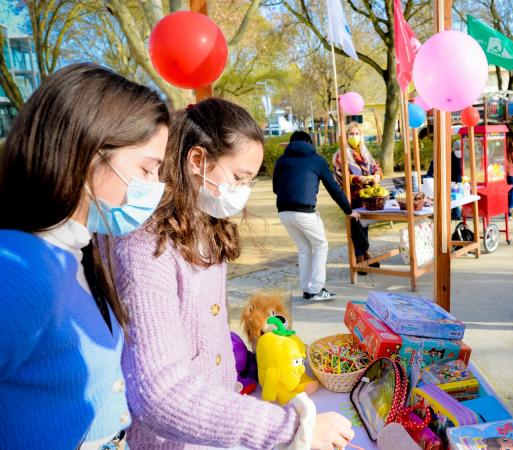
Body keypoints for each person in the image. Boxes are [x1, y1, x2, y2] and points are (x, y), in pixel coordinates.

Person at [111, 99, 355, 449]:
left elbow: (204, 336)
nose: (242, 191)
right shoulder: (146, 245)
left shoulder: (204, 224)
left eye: (250, 181)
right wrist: (290, 428)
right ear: (198, 160)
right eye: (238, 177)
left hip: (216, 427)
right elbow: (159, 390)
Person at [0, 63, 169, 448]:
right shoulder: (17, 269)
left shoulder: (79, 249)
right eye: (147, 169)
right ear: (90, 152)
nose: (156, 188)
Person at [273, 131, 360, 301]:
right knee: (321, 245)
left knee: (304, 248)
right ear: (310, 143)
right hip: (304, 212)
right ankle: (317, 289)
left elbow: (276, 189)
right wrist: (349, 211)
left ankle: (307, 289)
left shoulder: (281, 161)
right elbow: (334, 188)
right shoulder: (316, 160)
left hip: (284, 212)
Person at [333, 122, 383, 273]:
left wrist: (377, 176)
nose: (354, 137)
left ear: (362, 136)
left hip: (367, 197)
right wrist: (357, 179)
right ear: (346, 136)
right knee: (356, 225)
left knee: (364, 225)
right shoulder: (341, 154)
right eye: (351, 134)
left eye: (357, 134)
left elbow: (376, 167)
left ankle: (365, 252)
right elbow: (339, 174)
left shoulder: (365, 152)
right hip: (352, 196)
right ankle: (360, 256)